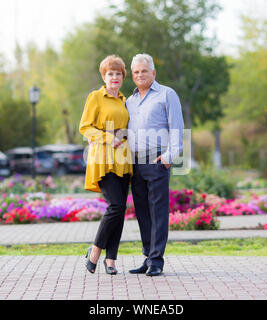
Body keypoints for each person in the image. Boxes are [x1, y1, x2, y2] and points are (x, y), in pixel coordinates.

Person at [126, 53, 184, 276]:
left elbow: (177, 127)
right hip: (135, 162)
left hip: (158, 159)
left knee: (157, 210)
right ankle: (147, 257)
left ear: (153, 73)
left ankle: (157, 260)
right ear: (133, 75)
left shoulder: (166, 94)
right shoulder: (129, 101)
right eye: (136, 72)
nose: (140, 75)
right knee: (142, 211)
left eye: (144, 71)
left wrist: (170, 157)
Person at [79, 55, 133, 275]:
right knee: (116, 206)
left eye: (118, 73)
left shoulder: (124, 100)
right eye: (110, 73)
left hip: (124, 159)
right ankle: (95, 250)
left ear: (122, 77)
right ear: (104, 76)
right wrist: (108, 138)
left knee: (120, 211)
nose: (114, 77)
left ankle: (111, 260)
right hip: (103, 157)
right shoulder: (95, 97)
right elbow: (85, 127)